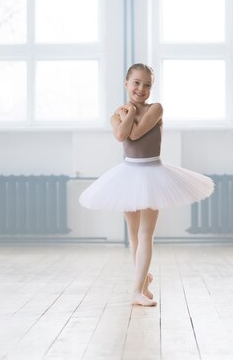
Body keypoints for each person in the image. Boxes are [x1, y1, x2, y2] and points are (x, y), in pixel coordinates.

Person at [79, 63, 214, 307]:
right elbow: (120, 136)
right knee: (133, 235)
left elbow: (136, 133)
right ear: (126, 83)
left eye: (147, 84)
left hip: (152, 173)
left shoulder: (156, 109)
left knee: (145, 234)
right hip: (128, 175)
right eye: (137, 83)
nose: (141, 89)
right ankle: (142, 282)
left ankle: (136, 291)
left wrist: (128, 113)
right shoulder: (116, 114)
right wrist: (127, 113)